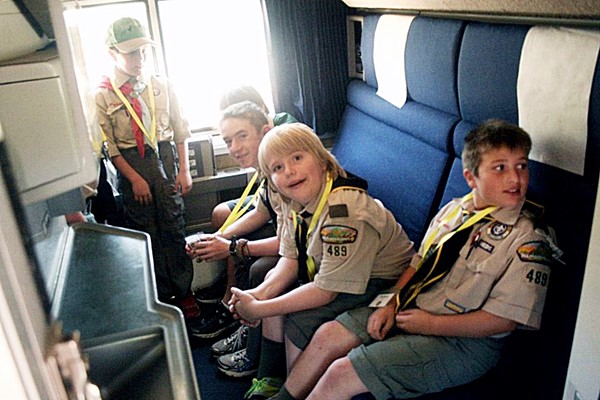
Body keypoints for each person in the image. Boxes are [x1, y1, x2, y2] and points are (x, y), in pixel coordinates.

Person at [271, 119, 560, 400]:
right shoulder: (454, 211)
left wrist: (431, 325)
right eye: (500, 168)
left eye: (521, 166)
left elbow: (503, 321)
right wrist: (393, 301)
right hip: (414, 306)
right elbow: (419, 262)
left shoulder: (528, 239)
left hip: (462, 342)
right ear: (471, 177)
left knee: (341, 372)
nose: (515, 179)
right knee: (328, 335)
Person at [228, 123, 415, 399]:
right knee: (272, 284)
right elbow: (290, 259)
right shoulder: (294, 202)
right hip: (339, 275)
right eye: (277, 168)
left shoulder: (345, 211)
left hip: (382, 282)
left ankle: (291, 392)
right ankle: (271, 378)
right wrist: (256, 296)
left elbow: (327, 291)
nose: (289, 171)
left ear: (322, 160)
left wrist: (261, 309)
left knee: (300, 321)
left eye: (297, 158)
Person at [95, 17, 199, 324]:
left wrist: (184, 170)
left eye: (143, 52)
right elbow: (109, 146)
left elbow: (180, 129)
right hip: (132, 165)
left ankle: (183, 291)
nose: (139, 59)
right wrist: (135, 178)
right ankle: (159, 297)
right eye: (131, 53)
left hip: (164, 158)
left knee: (174, 225)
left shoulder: (161, 86)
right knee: (146, 232)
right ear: (113, 54)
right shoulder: (103, 94)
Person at [185, 102, 282, 355]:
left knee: (261, 269)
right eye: (228, 141)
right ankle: (236, 310)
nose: (235, 149)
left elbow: (292, 240)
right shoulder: (264, 166)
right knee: (233, 230)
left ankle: (252, 344)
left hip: (306, 245)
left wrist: (231, 247)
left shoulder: (283, 172)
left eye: (242, 136)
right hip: (293, 238)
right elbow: (261, 211)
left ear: (265, 130)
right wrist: (217, 237)